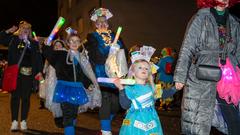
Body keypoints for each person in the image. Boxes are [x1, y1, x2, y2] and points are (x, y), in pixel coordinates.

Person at [174, 0, 240, 134]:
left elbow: (238, 52)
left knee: (234, 120)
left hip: (228, 77)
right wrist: (180, 76)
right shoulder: (201, 17)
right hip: (201, 75)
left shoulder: (234, 22)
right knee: (197, 121)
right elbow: (187, 48)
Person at [85, 8, 128, 135]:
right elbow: (94, 55)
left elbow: (124, 51)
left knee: (116, 103)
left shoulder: (115, 36)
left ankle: (106, 123)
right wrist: (110, 54)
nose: (103, 24)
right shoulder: (92, 36)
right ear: (96, 25)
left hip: (117, 72)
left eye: (105, 22)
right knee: (106, 100)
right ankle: (105, 130)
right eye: (99, 22)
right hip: (101, 72)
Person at [42, 33, 95, 135]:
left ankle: (71, 128)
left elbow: (82, 74)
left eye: (77, 41)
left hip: (77, 89)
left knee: (74, 112)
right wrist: (46, 45)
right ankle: (69, 131)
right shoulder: (61, 55)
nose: (75, 43)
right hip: (64, 89)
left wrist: (88, 84)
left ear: (80, 43)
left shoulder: (81, 57)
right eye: (72, 41)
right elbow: (49, 54)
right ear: (67, 43)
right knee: (68, 114)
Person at [0, 21, 43, 131]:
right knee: (15, 98)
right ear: (19, 29)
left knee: (26, 98)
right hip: (15, 74)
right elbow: (1, 38)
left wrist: (39, 71)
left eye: (28, 29)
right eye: (23, 28)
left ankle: (23, 120)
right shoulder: (13, 40)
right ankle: (14, 121)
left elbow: (38, 58)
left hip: (28, 74)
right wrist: (9, 31)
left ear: (30, 31)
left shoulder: (33, 43)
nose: (25, 30)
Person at [113, 58, 163, 135]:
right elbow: (125, 105)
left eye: (146, 68)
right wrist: (121, 88)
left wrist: (175, 88)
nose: (144, 69)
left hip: (152, 120)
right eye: (140, 67)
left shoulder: (153, 87)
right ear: (133, 72)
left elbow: (164, 94)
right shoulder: (129, 88)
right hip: (134, 121)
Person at [42, 39, 67, 128]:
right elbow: (45, 69)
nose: (58, 47)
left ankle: (66, 118)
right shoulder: (51, 56)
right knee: (55, 100)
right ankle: (58, 119)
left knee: (64, 99)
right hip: (53, 81)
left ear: (63, 46)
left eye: (59, 45)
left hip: (63, 80)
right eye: (56, 45)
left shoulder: (67, 54)